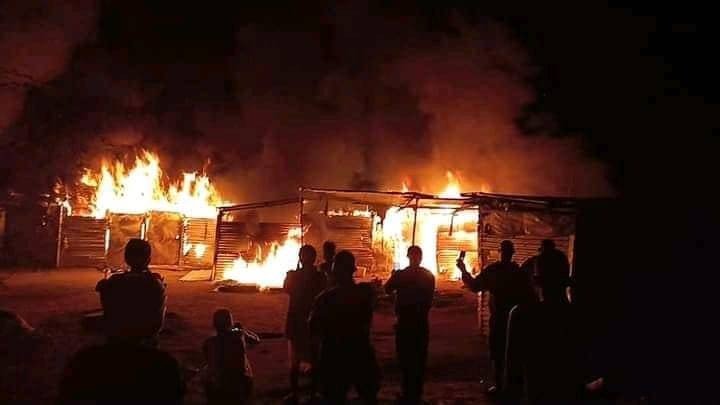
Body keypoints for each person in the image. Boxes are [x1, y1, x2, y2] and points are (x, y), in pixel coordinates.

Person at [503, 244, 583, 403]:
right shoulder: (578, 317)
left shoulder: (522, 316)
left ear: (536, 281)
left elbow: (513, 376)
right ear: (566, 281)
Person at [457, 240, 531, 395]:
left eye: (505, 252)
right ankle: (510, 388)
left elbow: (474, 286)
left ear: (500, 252)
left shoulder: (495, 271)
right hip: (515, 320)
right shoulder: (517, 272)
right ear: (513, 253)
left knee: (498, 353)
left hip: (500, 320)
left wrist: (463, 270)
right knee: (510, 353)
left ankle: (500, 386)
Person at [309, 250, 380, 404]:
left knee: (334, 397)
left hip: (334, 355)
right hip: (360, 352)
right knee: (368, 396)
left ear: (334, 273)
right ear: (353, 271)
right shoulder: (365, 293)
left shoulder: (325, 299)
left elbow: (314, 329)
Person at [384, 246, 435, 404]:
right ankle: (416, 394)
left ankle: (407, 393)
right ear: (420, 258)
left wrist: (394, 277)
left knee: (406, 358)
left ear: (409, 257)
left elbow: (387, 289)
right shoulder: (428, 276)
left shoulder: (401, 275)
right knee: (419, 359)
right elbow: (429, 299)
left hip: (405, 322)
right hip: (420, 322)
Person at [95, 239, 167, 343]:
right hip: (146, 338)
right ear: (148, 259)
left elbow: (105, 300)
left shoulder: (113, 281)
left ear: (126, 258)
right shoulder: (154, 283)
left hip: (117, 337)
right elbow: (157, 320)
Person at [283, 244, 327, 403]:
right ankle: (313, 393)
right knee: (314, 359)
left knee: (295, 361)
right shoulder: (321, 276)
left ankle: (295, 394)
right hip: (313, 321)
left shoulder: (293, 276)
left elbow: (286, 289)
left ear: (300, 258)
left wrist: (295, 273)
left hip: (297, 321)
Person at [203, 309, 260, 405]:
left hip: (219, 385)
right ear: (231, 323)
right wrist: (243, 330)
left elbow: (209, 361)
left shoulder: (209, 343)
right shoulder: (239, 336)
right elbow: (256, 340)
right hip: (241, 383)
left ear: (214, 325)